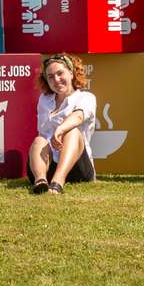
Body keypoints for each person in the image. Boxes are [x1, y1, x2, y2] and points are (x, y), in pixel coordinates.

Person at [27, 53, 97, 195]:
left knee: (72, 132)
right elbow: (43, 132)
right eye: (51, 77)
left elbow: (78, 116)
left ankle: (58, 182)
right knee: (39, 140)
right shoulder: (44, 100)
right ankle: (40, 180)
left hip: (77, 167)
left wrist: (60, 129)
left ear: (71, 73)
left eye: (60, 73)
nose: (56, 80)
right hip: (48, 165)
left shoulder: (86, 97)